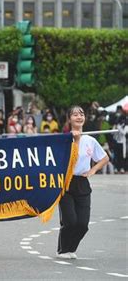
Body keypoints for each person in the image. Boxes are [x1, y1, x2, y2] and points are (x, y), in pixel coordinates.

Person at [57, 105, 109, 259]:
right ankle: (63, 250)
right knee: (70, 221)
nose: (79, 117)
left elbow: (105, 158)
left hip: (82, 183)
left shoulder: (90, 140)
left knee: (83, 224)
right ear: (69, 119)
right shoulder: (63, 140)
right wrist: (75, 139)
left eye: (81, 114)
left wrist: (93, 171)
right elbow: (63, 160)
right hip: (65, 183)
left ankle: (71, 248)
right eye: (75, 114)